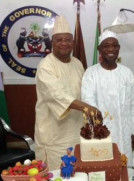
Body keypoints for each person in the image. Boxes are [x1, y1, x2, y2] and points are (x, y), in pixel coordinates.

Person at [34, 16, 102, 170]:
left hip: (77, 132)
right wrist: (87, 108)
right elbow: (58, 95)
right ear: (52, 42)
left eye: (68, 39)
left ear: (73, 42)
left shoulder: (77, 63)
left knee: (76, 174)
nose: (64, 43)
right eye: (59, 39)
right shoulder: (46, 65)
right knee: (56, 174)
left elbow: (84, 92)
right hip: (54, 136)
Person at [81, 30, 134, 167]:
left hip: (125, 132)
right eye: (106, 46)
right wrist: (97, 130)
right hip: (101, 134)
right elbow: (88, 103)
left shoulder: (127, 73)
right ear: (99, 49)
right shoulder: (91, 73)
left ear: (119, 48)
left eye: (115, 45)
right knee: (103, 169)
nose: (111, 49)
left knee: (124, 168)